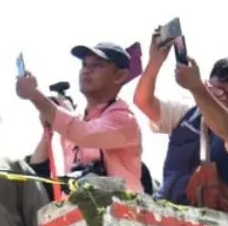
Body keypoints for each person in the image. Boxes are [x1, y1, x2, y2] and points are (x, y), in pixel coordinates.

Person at [133, 38, 228, 219]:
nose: (224, 98)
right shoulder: (186, 112)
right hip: (168, 216)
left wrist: (196, 87)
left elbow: (227, 129)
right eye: (219, 90)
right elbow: (144, 102)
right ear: (208, 84)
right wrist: (155, 61)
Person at [15, 42, 143, 193]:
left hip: (120, 212)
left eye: (97, 65)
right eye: (84, 65)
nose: (87, 70)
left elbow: (83, 133)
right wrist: (48, 128)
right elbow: (37, 168)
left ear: (120, 76)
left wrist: (35, 96)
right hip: (77, 211)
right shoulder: (77, 121)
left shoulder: (125, 119)